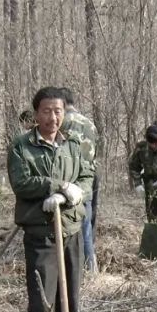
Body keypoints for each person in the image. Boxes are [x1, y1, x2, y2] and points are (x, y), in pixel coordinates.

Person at [7, 86, 93, 312]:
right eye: (46, 111)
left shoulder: (73, 144)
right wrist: (57, 186)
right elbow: (21, 182)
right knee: (43, 297)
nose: (52, 118)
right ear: (35, 114)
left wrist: (75, 192)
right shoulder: (22, 146)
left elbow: (87, 176)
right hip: (41, 233)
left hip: (71, 229)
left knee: (70, 297)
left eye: (58, 111)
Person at [59, 88, 100, 272]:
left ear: (63, 103)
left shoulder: (62, 122)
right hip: (90, 176)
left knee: (75, 224)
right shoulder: (90, 124)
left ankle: (79, 267)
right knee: (88, 222)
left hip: (72, 177)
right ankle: (91, 265)